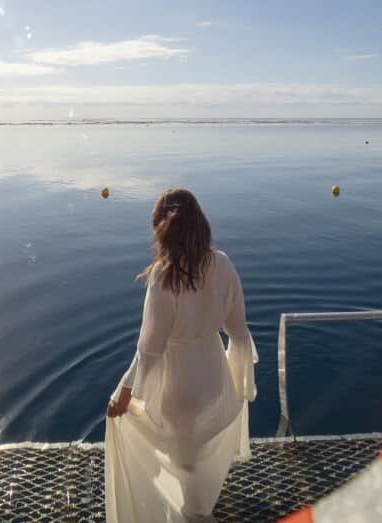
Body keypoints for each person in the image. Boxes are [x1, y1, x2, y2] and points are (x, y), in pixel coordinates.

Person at [105, 188, 258, 522]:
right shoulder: (223, 263)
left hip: (180, 386)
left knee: (184, 460)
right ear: (201, 223)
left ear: (162, 228)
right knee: (200, 453)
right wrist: (238, 380)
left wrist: (123, 393)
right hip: (214, 374)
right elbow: (237, 331)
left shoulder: (164, 276)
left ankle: (194, 514)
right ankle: (199, 505)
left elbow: (149, 352)